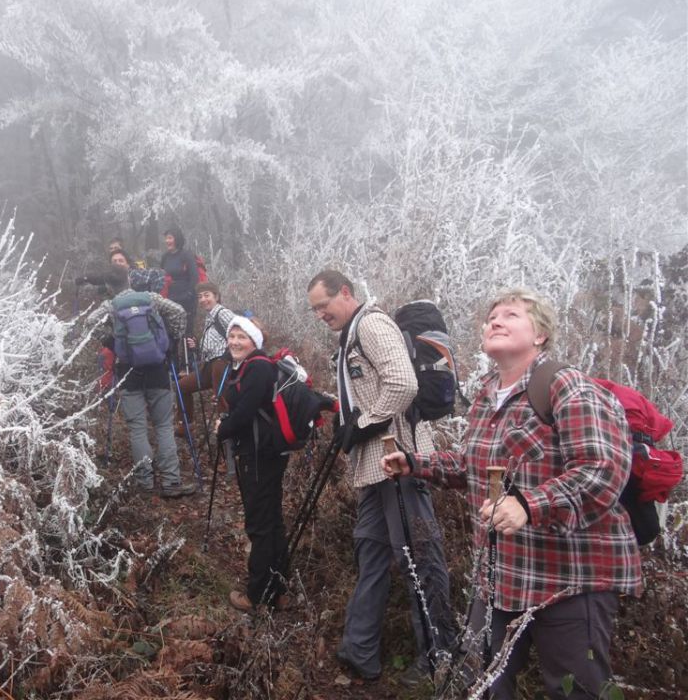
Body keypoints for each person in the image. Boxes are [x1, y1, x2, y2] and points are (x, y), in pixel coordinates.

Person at [382, 288, 643, 699]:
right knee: (482, 685)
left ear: (540, 334)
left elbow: (603, 469)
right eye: (491, 318)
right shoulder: (487, 395)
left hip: (569, 580)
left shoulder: (567, 386)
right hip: (501, 578)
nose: (495, 322)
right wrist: (415, 463)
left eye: (511, 315)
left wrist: (527, 505)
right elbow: (473, 467)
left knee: (575, 690)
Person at [306, 270, 455, 686]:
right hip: (374, 467)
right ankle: (360, 649)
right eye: (315, 309)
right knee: (369, 551)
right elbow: (369, 388)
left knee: (417, 557)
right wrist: (343, 415)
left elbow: (403, 384)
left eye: (324, 305)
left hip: (398, 462)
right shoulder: (351, 335)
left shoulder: (371, 324)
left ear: (346, 293)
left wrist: (365, 423)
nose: (320, 314)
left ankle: (440, 658)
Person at [215, 315, 292, 613]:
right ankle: (279, 591)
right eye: (231, 336)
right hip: (266, 454)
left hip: (258, 456)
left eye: (241, 337)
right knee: (271, 520)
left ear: (254, 342)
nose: (234, 341)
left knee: (260, 524)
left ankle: (257, 595)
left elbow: (245, 412)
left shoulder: (257, 367)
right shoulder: (252, 365)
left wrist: (222, 429)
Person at [100, 266, 195, 498]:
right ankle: (172, 482)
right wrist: (170, 340)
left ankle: (145, 481)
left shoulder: (113, 303)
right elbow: (180, 313)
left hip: (128, 372)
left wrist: (111, 342)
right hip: (157, 369)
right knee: (163, 426)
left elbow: (91, 323)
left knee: (137, 428)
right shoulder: (152, 299)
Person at [174, 281, 235, 437]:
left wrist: (229, 354)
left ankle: (228, 432)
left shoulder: (222, 313)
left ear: (216, 296)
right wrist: (197, 348)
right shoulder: (210, 317)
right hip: (209, 364)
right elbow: (213, 345)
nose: (203, 299)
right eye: (200, 296)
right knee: (182, 386)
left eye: (207, 295)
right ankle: (185, 425)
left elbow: (239, 332)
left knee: (221, 399)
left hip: (221, 363)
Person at [160, 226, 199, 342]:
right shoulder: (165, 256)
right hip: (170, 298)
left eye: (170, 238)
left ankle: (190, 357)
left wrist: (189, 295)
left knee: (187, 333)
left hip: (186, 299)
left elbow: (194, 277)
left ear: (177, 239)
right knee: (171, 332)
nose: (167, 241)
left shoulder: (186, 255)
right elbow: (162, 275)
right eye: (166, 238)